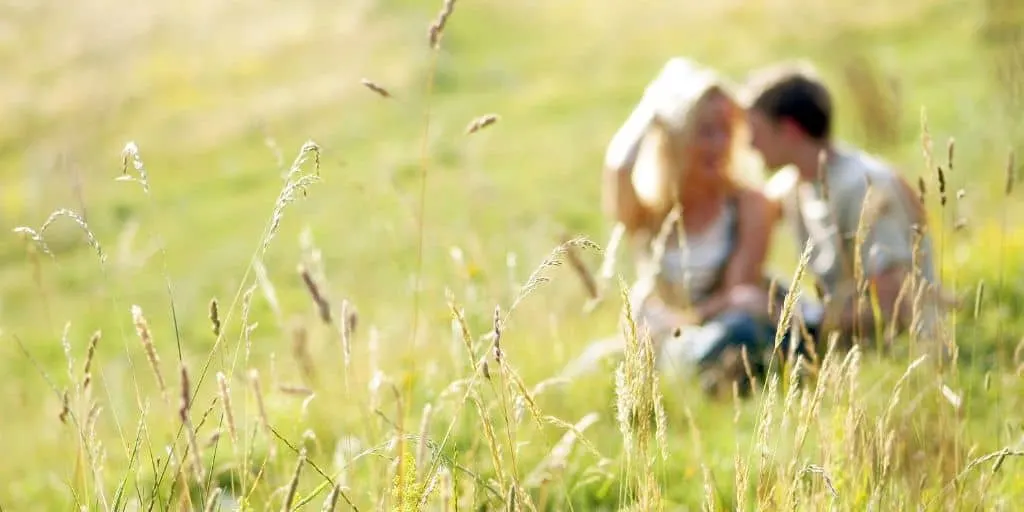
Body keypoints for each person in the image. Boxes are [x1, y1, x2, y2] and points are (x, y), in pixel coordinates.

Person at [562, 57, 801, 394]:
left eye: (726, 131)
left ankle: (675, 377)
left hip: (721, 333)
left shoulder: (748, 203)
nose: (718, 144)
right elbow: (618, 165)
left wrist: (676, 322)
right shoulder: (652, 210)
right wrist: (653, 103)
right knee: (586, 370)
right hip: (660, 338)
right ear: (677, 137)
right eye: (705, 131)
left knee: (718, 340)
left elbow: (738, 295)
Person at [743, 62, 948, 347]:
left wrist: (795, 319)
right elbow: (748, 212)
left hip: (894, 349)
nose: (750, 144)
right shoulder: (794, 182)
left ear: (789, 130)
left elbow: (895, 308)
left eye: (755, 131)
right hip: (840, 336)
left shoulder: (864, 187)